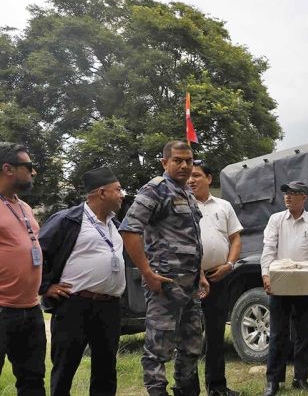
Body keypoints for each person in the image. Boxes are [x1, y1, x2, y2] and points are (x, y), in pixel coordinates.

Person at [119, 140, 208, 396]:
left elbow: (193, 240)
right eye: (177, 160)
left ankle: (185, 391)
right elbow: (129, 230)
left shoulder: (187, 194)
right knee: (159, 349)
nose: (184, 165)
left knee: (192, 347)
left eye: (189, 161)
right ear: (164, 162)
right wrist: (147, 273)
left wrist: (200, 274)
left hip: (190, 286)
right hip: (164, 286)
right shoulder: (155, 190)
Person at [38, 166, 126, 396]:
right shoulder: (67, 220)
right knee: (65, 367)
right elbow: (37, 252)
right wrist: (45, 286)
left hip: (109, 307)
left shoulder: (115, 224)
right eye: (118, 190)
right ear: (102, 192)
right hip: (74, 305)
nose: (122, 194)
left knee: (106, 369)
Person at [260, 181, 308, 396]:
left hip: (307, 283)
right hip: (281, 282)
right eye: (286, 193)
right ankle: (273, 380)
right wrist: (265, 273)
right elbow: (268, 248)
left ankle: (301, 378)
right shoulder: (276, 220)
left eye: (293, 193)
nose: (288, 197)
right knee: (278, 332)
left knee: (305, 333)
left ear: (304, 197)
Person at [188, 160, 243, 396]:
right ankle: (188, 388)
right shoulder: (180, 205)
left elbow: (236, 239)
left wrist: (229, 265)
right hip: (189, 279)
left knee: (215, 333)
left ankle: (217, 386)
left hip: (218, 277)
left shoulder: (224, 206)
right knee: (188, 336)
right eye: (189, 176)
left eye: (197, 175)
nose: (191, 179)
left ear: (209, 179)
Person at [0, 142, 46, 396]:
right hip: (2, 308)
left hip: (30, 309)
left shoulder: (25, 207)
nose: (33, 172)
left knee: (33, 380)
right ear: (8, 168)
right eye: (28, 166)